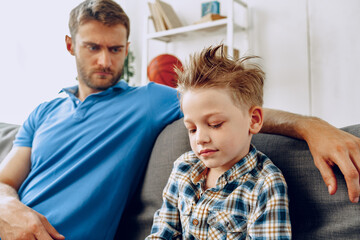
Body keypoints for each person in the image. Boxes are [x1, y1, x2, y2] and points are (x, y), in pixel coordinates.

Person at [0, 0, 358, 239]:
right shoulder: (43, 112)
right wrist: (9, 208)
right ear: (70, 45)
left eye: (116, 49)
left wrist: (312, 127)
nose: (105, 61)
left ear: (127, 48)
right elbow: (5, 180)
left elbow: (228, 107)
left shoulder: (148, 100)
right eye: (92, 47)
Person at [146, 44, 291, 239]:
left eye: (215, 124)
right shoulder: (183, 168)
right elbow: (162, 233)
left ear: (254, 120)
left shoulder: (265, 184)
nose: (200, 139)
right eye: (192, 129)